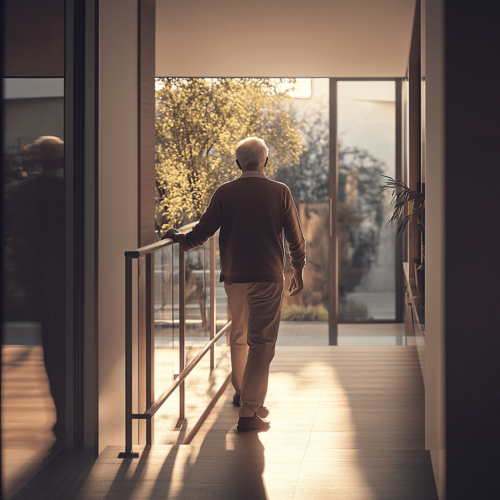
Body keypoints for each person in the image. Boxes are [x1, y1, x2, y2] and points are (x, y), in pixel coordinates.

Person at [166, 137, 306, 431]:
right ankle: (250, 411)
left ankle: (242, 391)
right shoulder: (280, 191)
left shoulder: (225, 192)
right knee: (262, 342)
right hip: (268, 277)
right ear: (265, 162)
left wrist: (179, 237)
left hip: (234, 277)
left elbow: (200, 234)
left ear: (237, 163)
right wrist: (298, 269)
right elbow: (294, 236)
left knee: (239, 335)